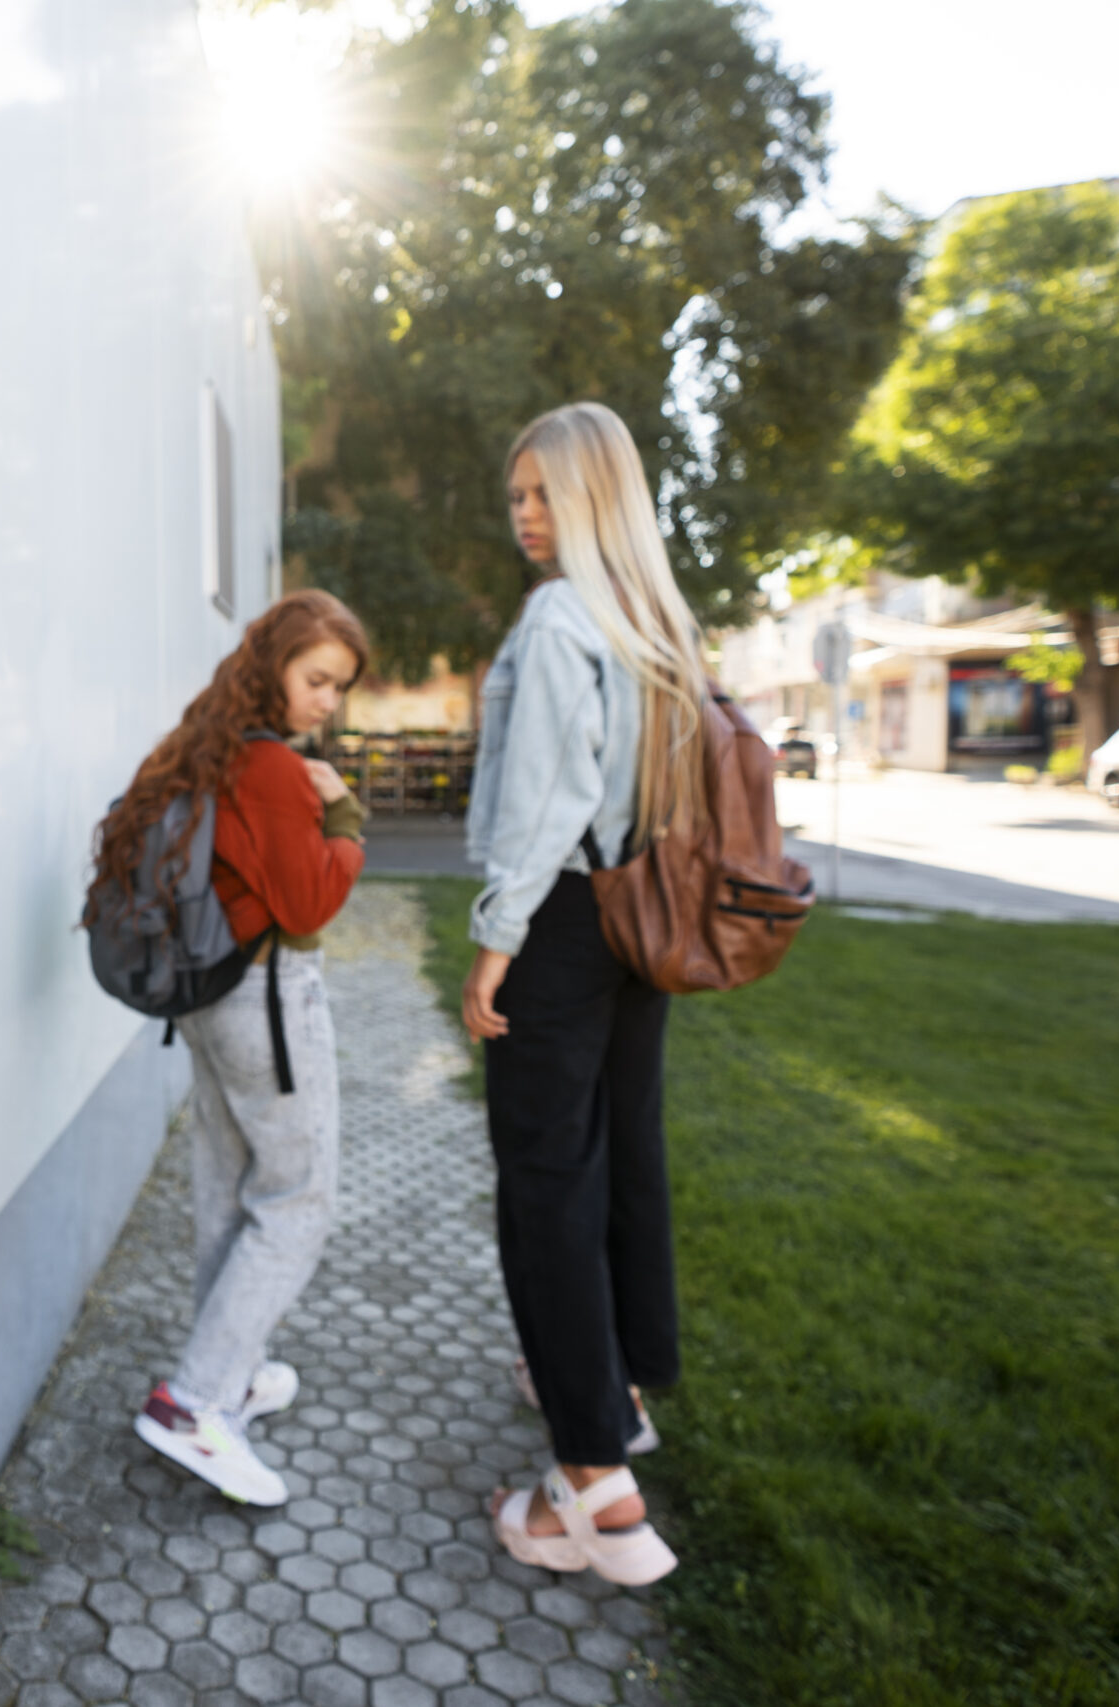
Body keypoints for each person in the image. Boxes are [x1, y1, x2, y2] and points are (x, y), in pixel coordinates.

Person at [459, 401, 698, 1586]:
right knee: (620, 1154)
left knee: (546, 1184)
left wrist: (493, 943)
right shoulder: (657, 618)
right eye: (516, 496)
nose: (524, 516)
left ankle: (596, 1490)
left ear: (596, 497)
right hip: (639, 918)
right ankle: (620, 1389)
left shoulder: (560, 618)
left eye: (544, 494)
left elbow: (546, 798)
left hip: (559, 917)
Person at [92, 590, 371, 1506]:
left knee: (228, 1185)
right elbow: (309, 901)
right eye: (317, 678)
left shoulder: (204, 747)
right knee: (298, 1198)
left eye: (340, 685)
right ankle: (195, 1401)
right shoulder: (277, 769)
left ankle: (231, 1373)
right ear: (273, 668)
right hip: (269, 998)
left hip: (212, 999)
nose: (328, 700)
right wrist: (346, 819)